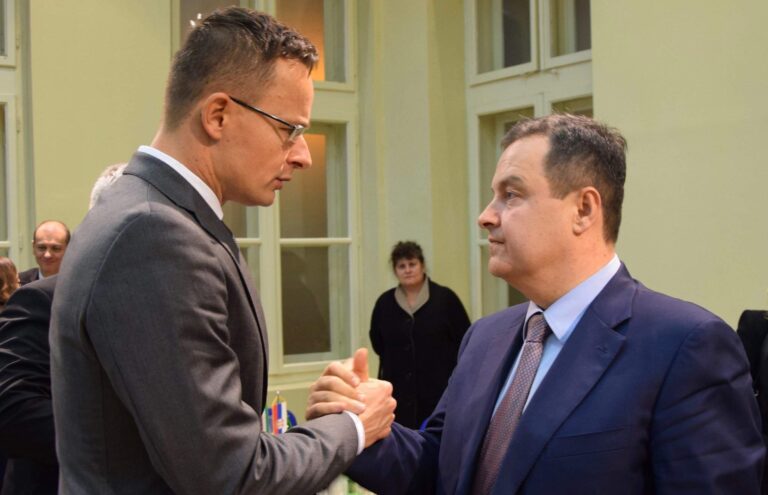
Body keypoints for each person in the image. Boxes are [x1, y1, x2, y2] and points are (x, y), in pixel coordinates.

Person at [308, 114, 765, 494]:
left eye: (511, 195)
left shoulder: (684, 346)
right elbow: (438, 465)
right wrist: (357, 426)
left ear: (583, 210)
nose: (486, 216)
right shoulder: (485, 337)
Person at [50, 7, 394, 495]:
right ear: (217, 115)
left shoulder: (147, 213)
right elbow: (230, 474)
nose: (303, 155)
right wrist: (356, 424)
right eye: (290, 129)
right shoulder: (153, 235)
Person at [0, 162, 128, 495]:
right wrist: (131, 442)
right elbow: (14, 410)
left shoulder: (160, 298)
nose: (47, 254)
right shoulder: (36, 297)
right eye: (41, 246)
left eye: (55, 248)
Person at [370, 241, 470, 429]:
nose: (407, 270)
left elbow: (465, 340)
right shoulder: (384, 303)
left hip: (440, 391)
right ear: (395, 271)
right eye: (401, 266)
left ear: (422, 265)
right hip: (397, 393)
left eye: (412, 264)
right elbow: (378, 343)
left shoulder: (445, 299)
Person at [18, 221, 70, 285]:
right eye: (42, 248)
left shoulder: (79, 283)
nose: (47, 255)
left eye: (55, 248)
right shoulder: (18, 283)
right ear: (33, 248)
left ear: (69, 249)